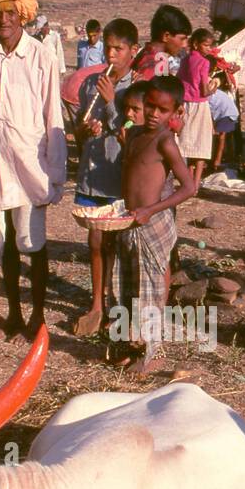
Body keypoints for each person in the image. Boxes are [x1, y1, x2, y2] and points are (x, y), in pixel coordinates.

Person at [0, 0, 67, 341]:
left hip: (31, 162)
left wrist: (55, 171)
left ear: (22, 15)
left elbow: (52, 114)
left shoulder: (40, 55)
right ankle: (13, 315)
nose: (4, 19)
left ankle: (38, 315)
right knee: (4, 240)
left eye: (11, 12)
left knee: (32, 241)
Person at [114, 75, 197, 373]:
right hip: (130, 221)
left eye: (162, 110)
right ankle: (134, 344)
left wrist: (152, 208)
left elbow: (189, 187)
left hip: (153, 222)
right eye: (149, 106)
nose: (153, 113)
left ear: (175, 113)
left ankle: (154, 352)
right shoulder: (135, 134)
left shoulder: (166, 142)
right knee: (128, 285)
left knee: (149, 287)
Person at [70, 18, 140, 336]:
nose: (111, 55)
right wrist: (85, 130)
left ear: (132, 51)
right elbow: (80, 133)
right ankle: (97, 303)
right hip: (92, 172)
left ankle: (119, 306)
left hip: (119, 175)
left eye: (118, 49)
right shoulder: (90, 85)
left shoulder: (136, 90)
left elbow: (130, 133)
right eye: (108, 48)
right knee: (95, 241)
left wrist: (112, 104)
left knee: (119, 242)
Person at [177, 29, 219, 186]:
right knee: (201, 145)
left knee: (186, 143)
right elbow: (204, 90)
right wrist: (214, 86)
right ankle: (195, 184)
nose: (209, 49)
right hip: (200, 105)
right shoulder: (204, 62)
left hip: (185, 104)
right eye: (206, 45)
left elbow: (179, 80)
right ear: (196, 44)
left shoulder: (185, 60)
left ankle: (186, 181)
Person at [132, 4, 191, 80]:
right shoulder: (155, 65)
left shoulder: (148, 55)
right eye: (182, 39)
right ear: (166, 36)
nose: (184, 45)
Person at [208, 72, 239, 169]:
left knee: (221, 137)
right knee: (223, 137)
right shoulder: (212, 92)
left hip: (227, 113)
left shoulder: (208, 95)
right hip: (225, 113)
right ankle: (224, 158)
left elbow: (210, 112)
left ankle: (217, 161)